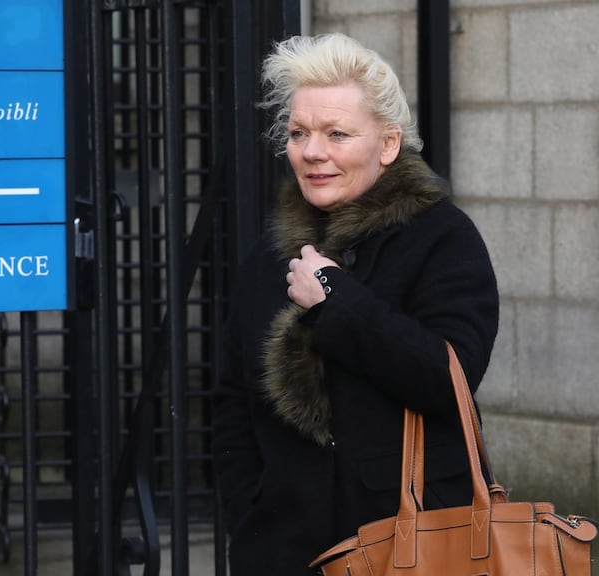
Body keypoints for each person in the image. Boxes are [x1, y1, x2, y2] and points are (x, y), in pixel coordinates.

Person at [212, 33, 499, 575]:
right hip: (283, 550)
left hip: (410, 546)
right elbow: (233, 401)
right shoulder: (268, 253)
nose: (312, 152)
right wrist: (250, 515)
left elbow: (448, 378)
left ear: (388, 145)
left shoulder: (441, 238)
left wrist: (334, 298)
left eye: (337, 134)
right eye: (299, 133)